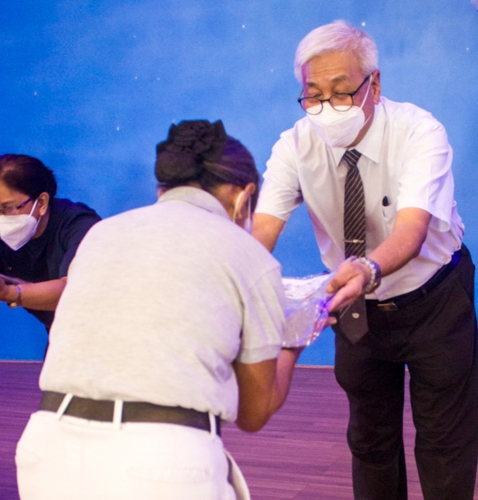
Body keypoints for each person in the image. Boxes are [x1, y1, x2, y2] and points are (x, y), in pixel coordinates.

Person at [15, 120, 303, 500]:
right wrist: (296, 337)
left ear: (163, 187)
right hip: (164, 462)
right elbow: (253, 412)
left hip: (46, 452)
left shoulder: (102, 235)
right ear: (243, 194)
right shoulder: (248, 254)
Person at [253, 20, 478, 500]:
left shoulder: (419, 131)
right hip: (354, 307)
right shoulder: (295, 144)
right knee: (370, 438)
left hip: (435, 297)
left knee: (444, 440)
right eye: (313, 95)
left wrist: (366, 268)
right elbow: (262, 232)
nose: (326, 109)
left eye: (341, 93)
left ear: (375, 83)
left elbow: (412, 233)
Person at [0, 154, 101, 331]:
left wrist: (9, 293)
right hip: (58, 329)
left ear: (41, 202)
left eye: (7, 208)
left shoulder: (79, 225)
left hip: (100, 328)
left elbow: (74, 291)